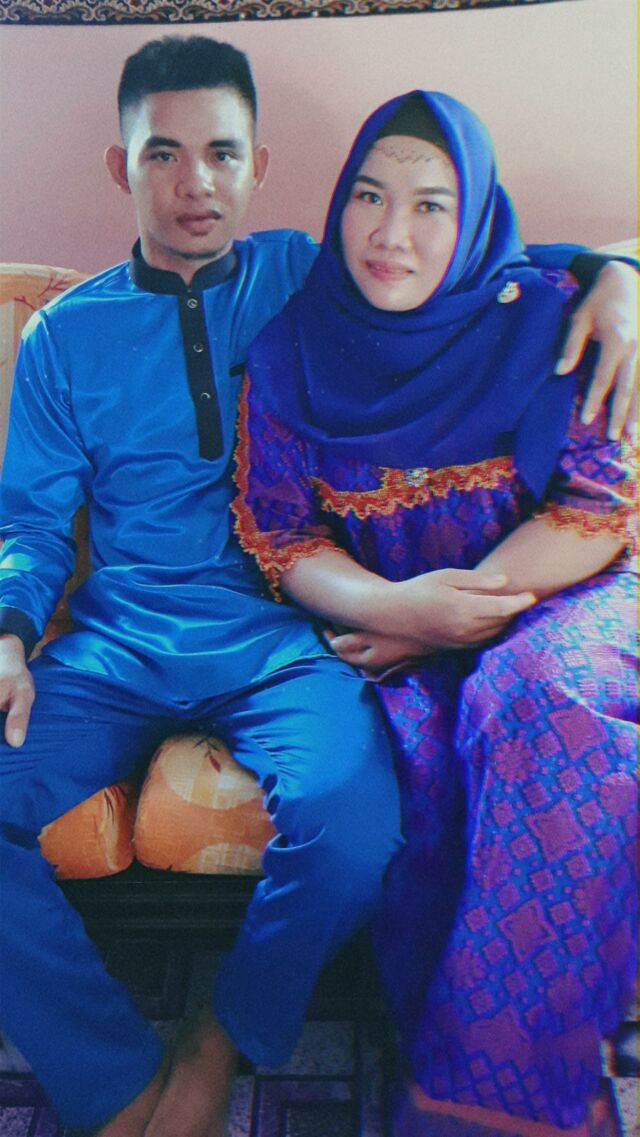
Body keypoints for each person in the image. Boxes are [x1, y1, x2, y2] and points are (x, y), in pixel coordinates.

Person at [0, 36, 635, 1137]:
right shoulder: (62, 336)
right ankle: (112, 1078)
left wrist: (618, 277)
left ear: (258, 166)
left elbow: (475, 256)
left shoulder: (308, 276)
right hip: (116, 642)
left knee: (351, 830)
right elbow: (30, 523)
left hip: (285, 635)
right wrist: (10, 632)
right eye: (162, 154)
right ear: (121, 167)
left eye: (220, 153)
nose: (194, 182)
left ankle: (225, 1030)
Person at [232, 90, 637, 1133]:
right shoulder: (292, 346)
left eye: (430, 206)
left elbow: (598, 506)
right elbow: (281, 531)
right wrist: (394, 608)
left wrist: (448, 615)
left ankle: (498, 1095)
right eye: (368, 196)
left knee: (543, 697)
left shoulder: (554, 317)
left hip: (558, 593)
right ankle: (460, 1057)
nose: (391, 234)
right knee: (417, 751)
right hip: (394, 616)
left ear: (476, 219)